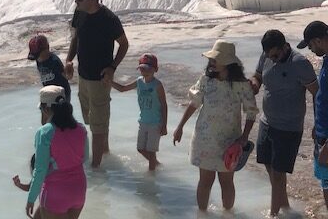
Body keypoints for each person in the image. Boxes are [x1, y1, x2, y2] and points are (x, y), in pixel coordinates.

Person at [173, 40, 258, 212]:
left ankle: (228, 214)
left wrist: (244, 137)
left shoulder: (242, 85)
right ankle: (202, 215)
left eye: (215, 60)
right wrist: (180, 127)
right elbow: (194, 103)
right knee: (205, 181)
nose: (211, 62)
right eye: (211, 59)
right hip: (204, 140)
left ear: (228, 62)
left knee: (226, 182)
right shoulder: (206, 80)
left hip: (229, 142)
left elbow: (251, 112)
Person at [250, 29, 318, 218]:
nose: (274, 58)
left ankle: (273, 215)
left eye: (276, 55)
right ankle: (285, 205)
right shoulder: (266, 55)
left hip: (288, 127)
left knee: (279, 172)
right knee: (268, 166)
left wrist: (318, 123)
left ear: (284, 46)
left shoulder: (300, 63)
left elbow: (317, 94)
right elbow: (257, 76)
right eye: (270, 56)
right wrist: (254, 84)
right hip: (266, 122)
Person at [65, 0, 129, 167]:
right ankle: (106, 150)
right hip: (83, 76)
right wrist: (69, 60)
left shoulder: (108, 19)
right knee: (91, 118)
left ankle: (97, 168)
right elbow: (75, 38)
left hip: (101, 79)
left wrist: (112, 67)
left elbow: (124, 44)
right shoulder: (80, 13)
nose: (76, 2)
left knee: (98, 125)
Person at [26, 85, 88, 219]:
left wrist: (31, 198)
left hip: (55, 194)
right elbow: (84, 158)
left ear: (46, 109)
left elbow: (40, 170)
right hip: (79, 190)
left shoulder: (45, 133)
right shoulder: (81, 129)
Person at [112, 52, 167, 170]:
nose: (144, 71)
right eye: (142, 68)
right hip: (143, 121)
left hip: (155, 123)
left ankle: (152, 175)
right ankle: (156, 164)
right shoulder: (139, 81)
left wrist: (164, 125)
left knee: (151, 152)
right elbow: (123, 89)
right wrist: (109, 82)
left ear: (155, 69)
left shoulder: (158, 85)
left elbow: (164, 105)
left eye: (147, 69)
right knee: (140, 148)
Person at [297, 21, 328, 210]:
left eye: (310, 46)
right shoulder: (326, 60)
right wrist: (318, 127)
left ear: (318, 40)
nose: (310, 49)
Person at [28, 34, 71, 102]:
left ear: (47, 48)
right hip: (48, 92)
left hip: (61, 93)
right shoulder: (38, 60)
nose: (38, 58)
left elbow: (66, 76)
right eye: (36, 56)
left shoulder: (54, 61)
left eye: (38, 55)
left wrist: (69, 72)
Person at [13, 155, 41, 219]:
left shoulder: (40, 176)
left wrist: (30, 201)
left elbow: (31, 187)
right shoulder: (41, 176)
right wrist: (19, 184)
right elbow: (30, 187)